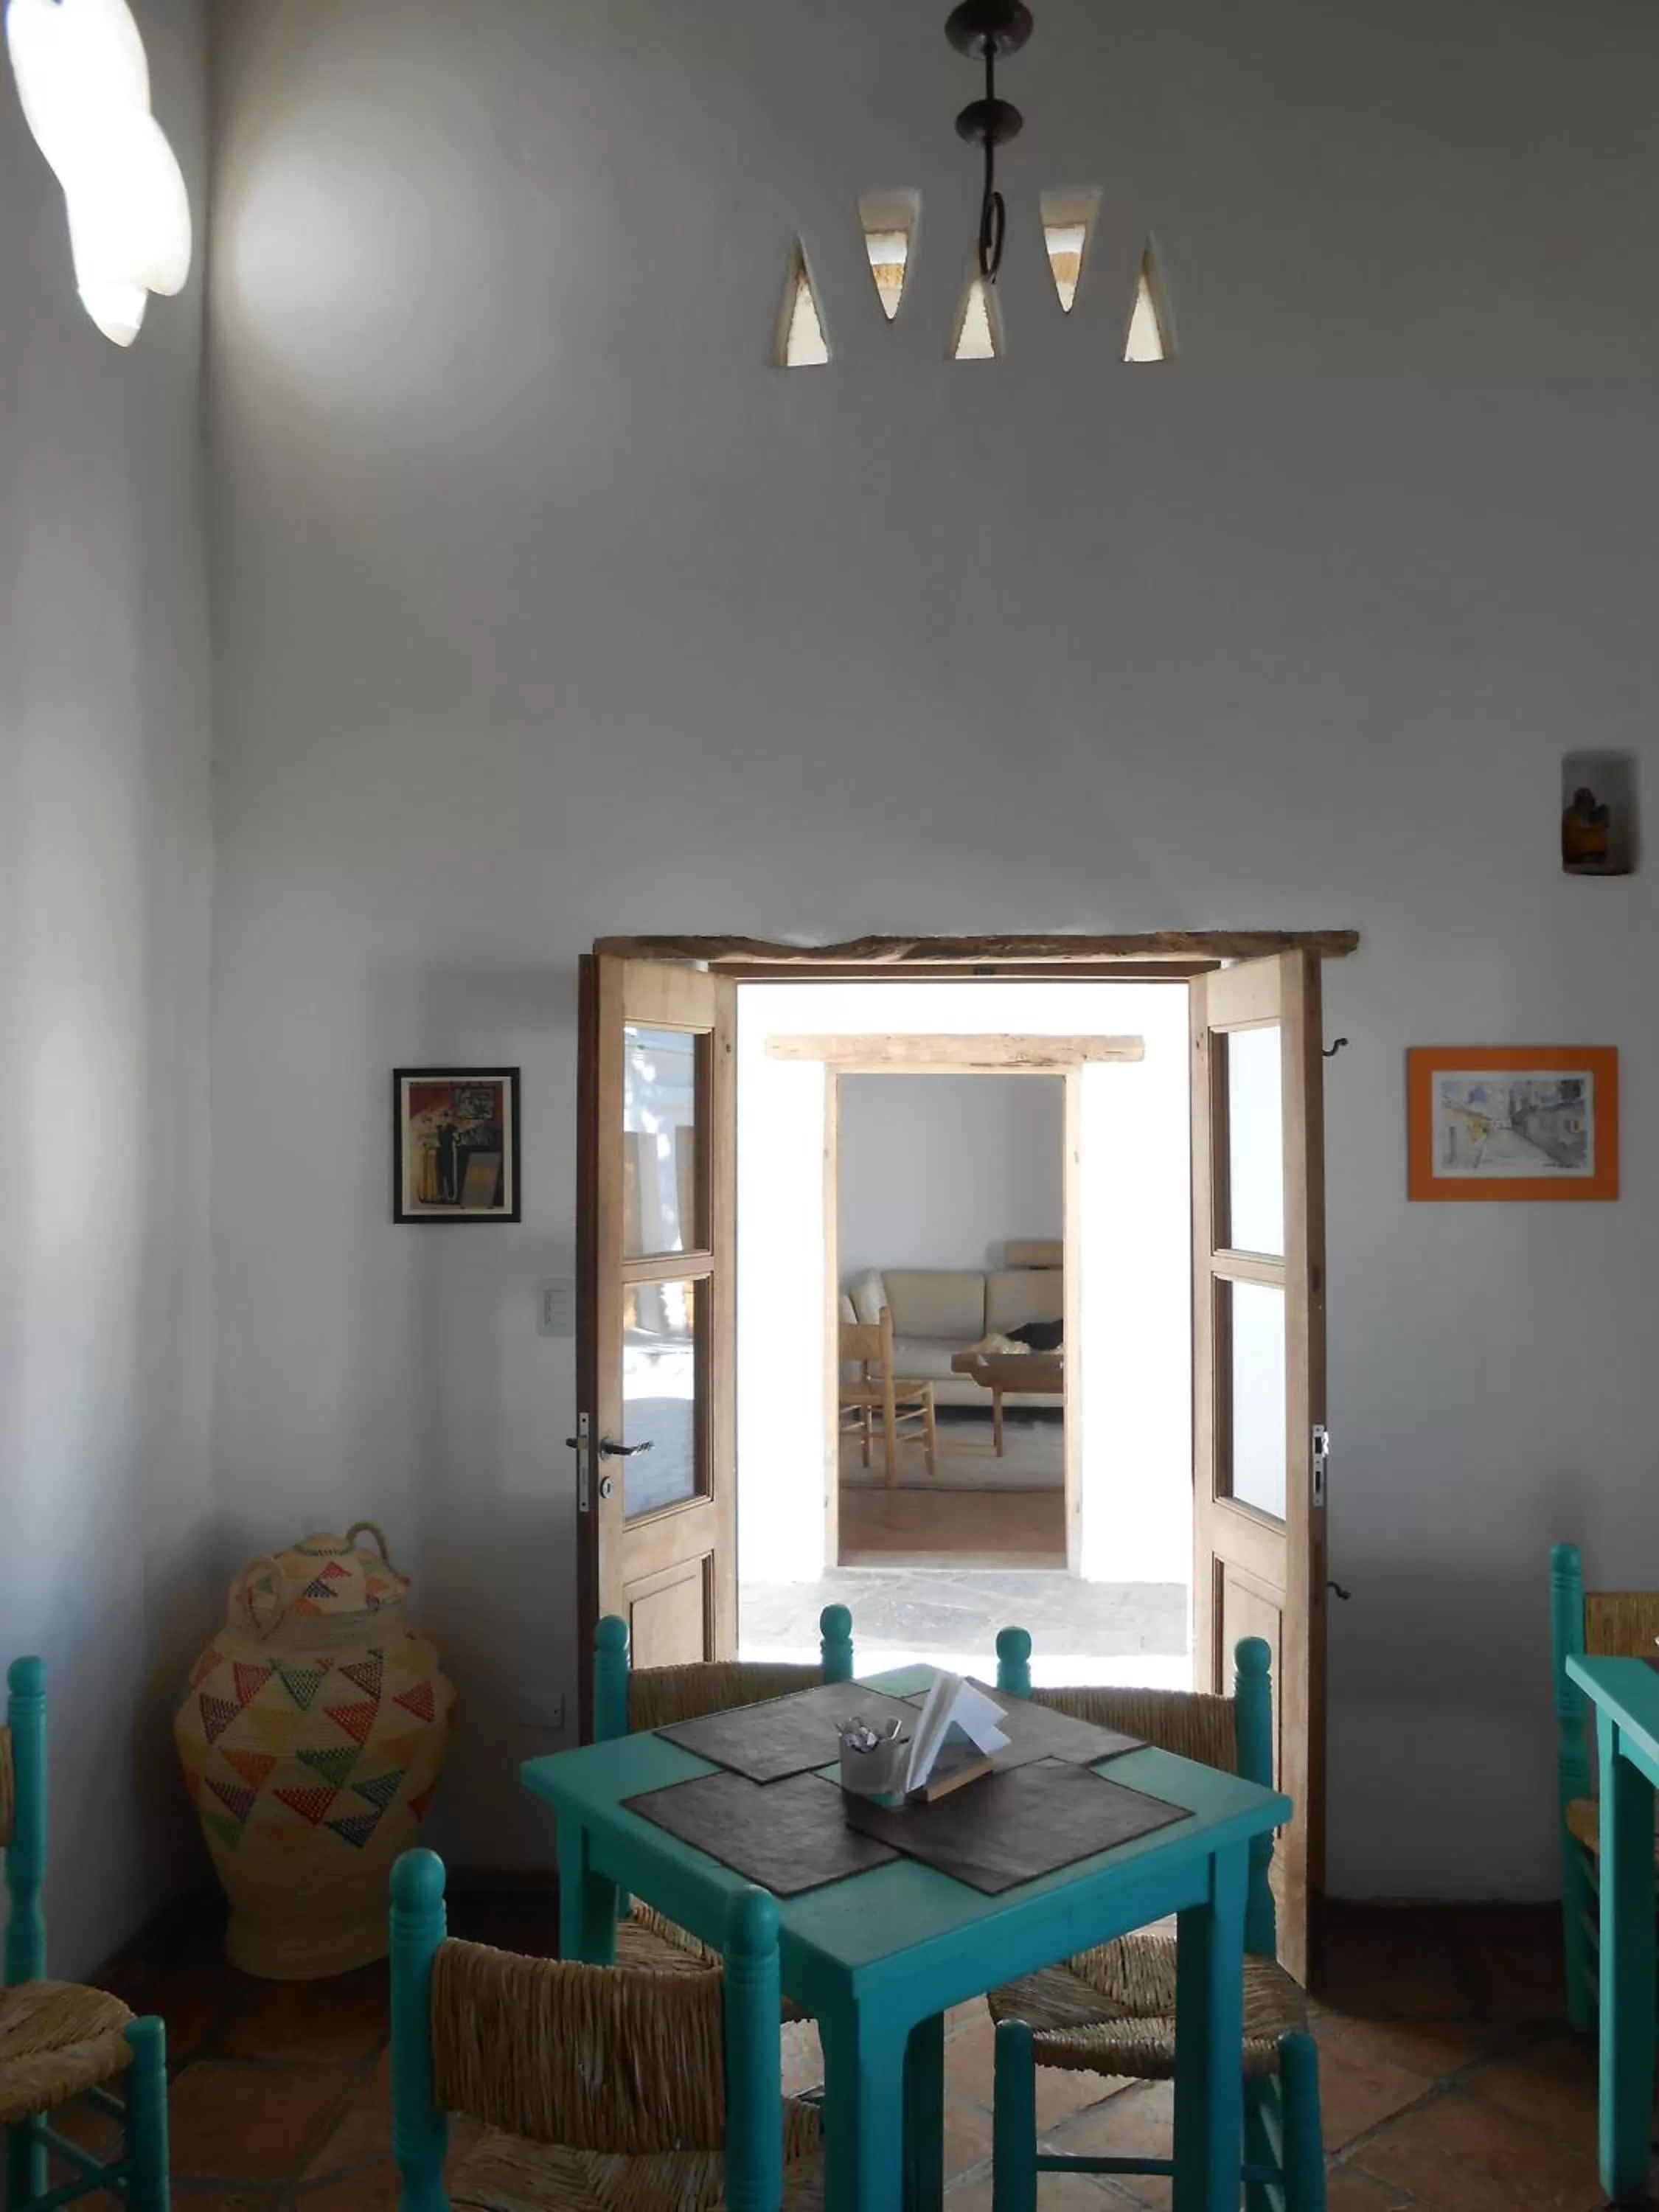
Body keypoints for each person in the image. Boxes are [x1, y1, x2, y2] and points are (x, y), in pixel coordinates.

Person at [436, 1117, 458, 1203]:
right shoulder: (439, 1129)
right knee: (440, 1175)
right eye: (442, 1119)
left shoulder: (452, 1129)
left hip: (449, 1154)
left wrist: (455, 1137)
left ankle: (451, 1196)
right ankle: (441, 1195)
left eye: (445, 1118)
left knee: (449, 1175)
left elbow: (457, 1138)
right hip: (440, 1153)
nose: (443, 1121)